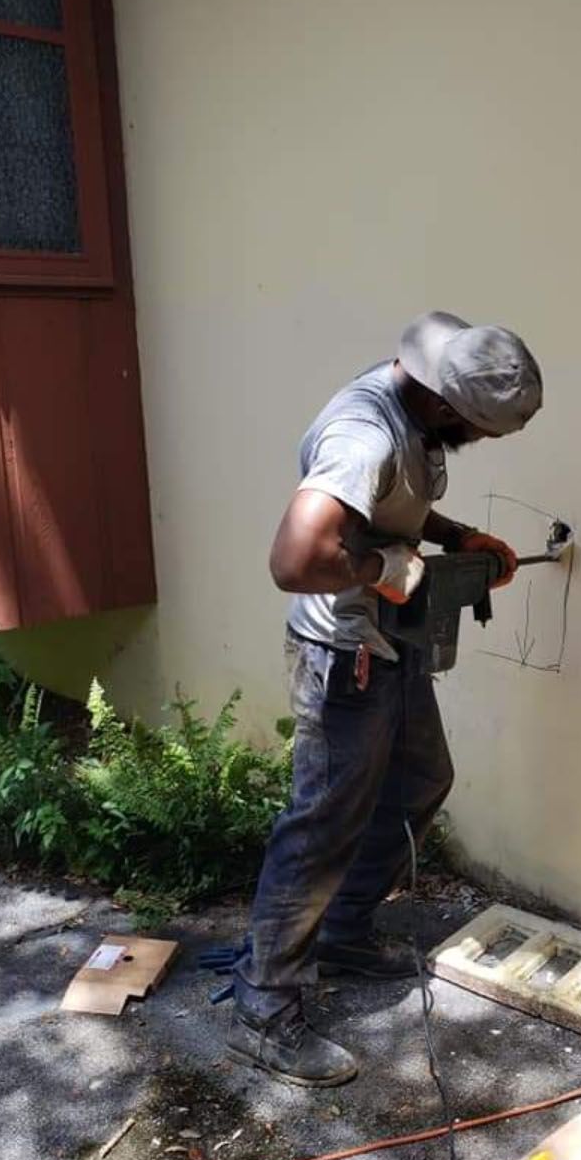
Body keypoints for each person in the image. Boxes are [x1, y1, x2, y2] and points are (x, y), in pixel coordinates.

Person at [228, 311, 543, 1086]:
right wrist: (383, 571)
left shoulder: (412, 413)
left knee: (421, 780)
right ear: (444, 403)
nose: (484, 442)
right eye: (481, 430)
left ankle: (340, 934)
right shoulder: (362, 435)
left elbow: (388, 501)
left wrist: (455, 535)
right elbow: (297, 557)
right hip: (344, 656)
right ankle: (263, 1008)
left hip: (387, 642)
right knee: (322, 823)